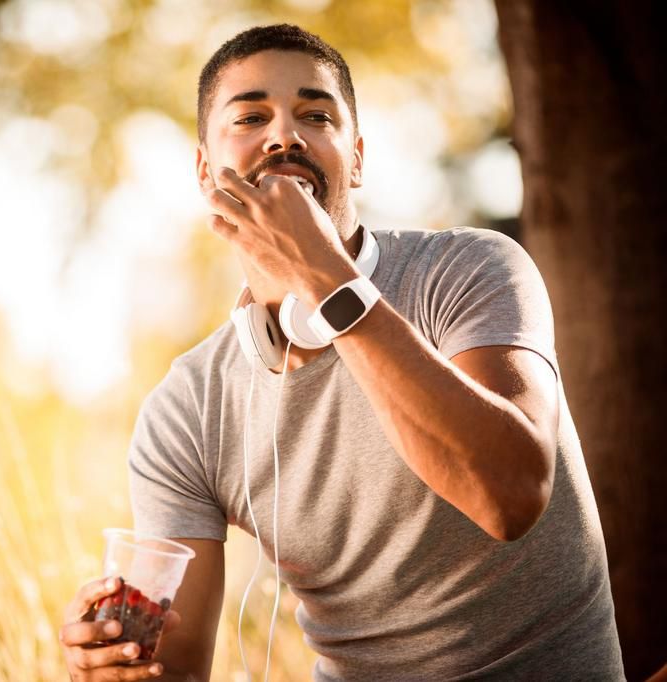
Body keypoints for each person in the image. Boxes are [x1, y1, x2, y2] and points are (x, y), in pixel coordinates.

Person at [60, 23, 624, 681]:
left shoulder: (474, 270)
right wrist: (113, 661)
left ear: (355, 157)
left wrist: (326, 279)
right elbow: (177, 670)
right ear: (204, 168)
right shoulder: (186, 409)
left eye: (315, 115)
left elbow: (510, 495)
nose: (284, 136)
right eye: (250, 117)